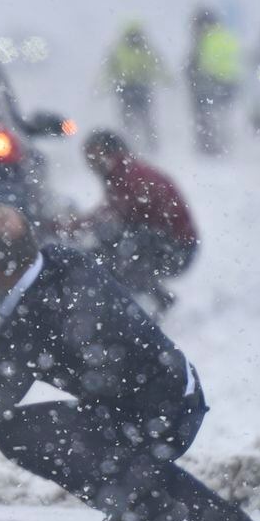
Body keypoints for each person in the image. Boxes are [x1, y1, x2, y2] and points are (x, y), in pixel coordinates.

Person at [0, 205, 260, 521]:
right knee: (127, 457)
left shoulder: (38, 314)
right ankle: (221, 520)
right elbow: (38, 342)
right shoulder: (61, 261)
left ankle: (141, 508)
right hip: (171, 398)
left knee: (19, 434)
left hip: (158, 417)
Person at [58, 129, 198, 312]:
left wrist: (75, 226)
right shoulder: (125, 171)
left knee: (118, 251)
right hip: (175, 245)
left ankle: (133, 308)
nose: (90, 163)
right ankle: (147, 300)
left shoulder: (127, 175)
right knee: (115, 249)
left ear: (109, 153)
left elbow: (116, 213)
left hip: (176, 249)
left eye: (93, 155)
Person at [185, 5, 243, 155]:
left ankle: (209, 146)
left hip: (210, 83)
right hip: (230, 83)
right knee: (223, 115)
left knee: (205, 116)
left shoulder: (204, 38)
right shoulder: (227, 35)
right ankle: (225, 143)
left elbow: (196, 63)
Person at [101, 22, 167, 150]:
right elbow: (157, 67)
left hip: (130, 89)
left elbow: (157, 67)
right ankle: (138, 145)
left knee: (140, 119)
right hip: (132, 88)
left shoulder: (120, 50)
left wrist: (102, 87)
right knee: (138, 119)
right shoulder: (142, 50)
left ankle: (144, 145)